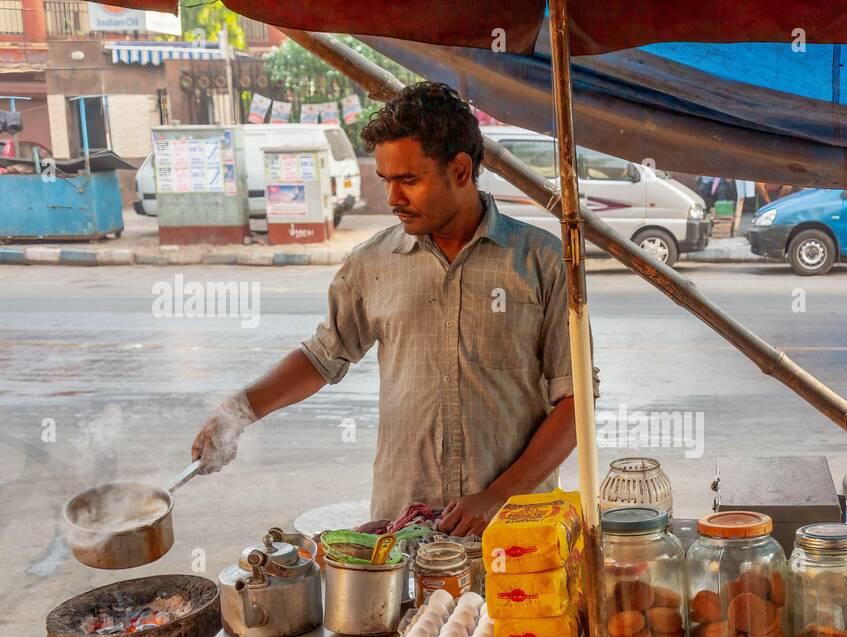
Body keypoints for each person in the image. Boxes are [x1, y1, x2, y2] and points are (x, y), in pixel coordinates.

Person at [191, 82, 597, 536]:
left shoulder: (541, 261)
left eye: (409, 180)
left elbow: (576, 399)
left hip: (517, 530)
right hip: (404, 529)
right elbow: (322, 357)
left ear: (460, 170)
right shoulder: (371, 264)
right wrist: (238, 411)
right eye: (386, 180)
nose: (392, 198)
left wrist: (497, 495)